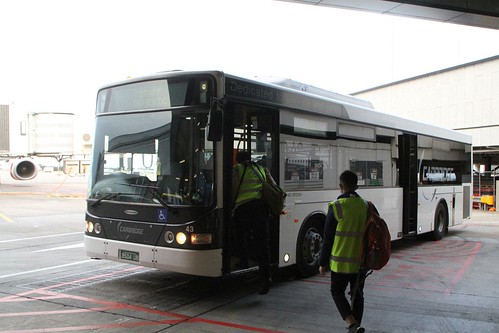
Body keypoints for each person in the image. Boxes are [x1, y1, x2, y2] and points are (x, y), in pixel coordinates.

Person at [319, 170, 370, 333]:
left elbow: (327, 238)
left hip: (340, 262)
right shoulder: (365, 205)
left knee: (336, 291)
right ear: (356, 186)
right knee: (357, 294)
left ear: (341, 186)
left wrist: (322, 262)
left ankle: (351, 322)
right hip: (360, 262)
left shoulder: (336, 206)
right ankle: (356, 324)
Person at [232, 150, 273, 295]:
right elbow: (272, 186)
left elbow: (233, 189)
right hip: (261, 208)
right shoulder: (261, 169)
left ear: (238, 160)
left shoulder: (237, 169)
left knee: (240, 235)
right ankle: (266, 277)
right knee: (262, 243)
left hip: (243, 208)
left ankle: (243, 260)